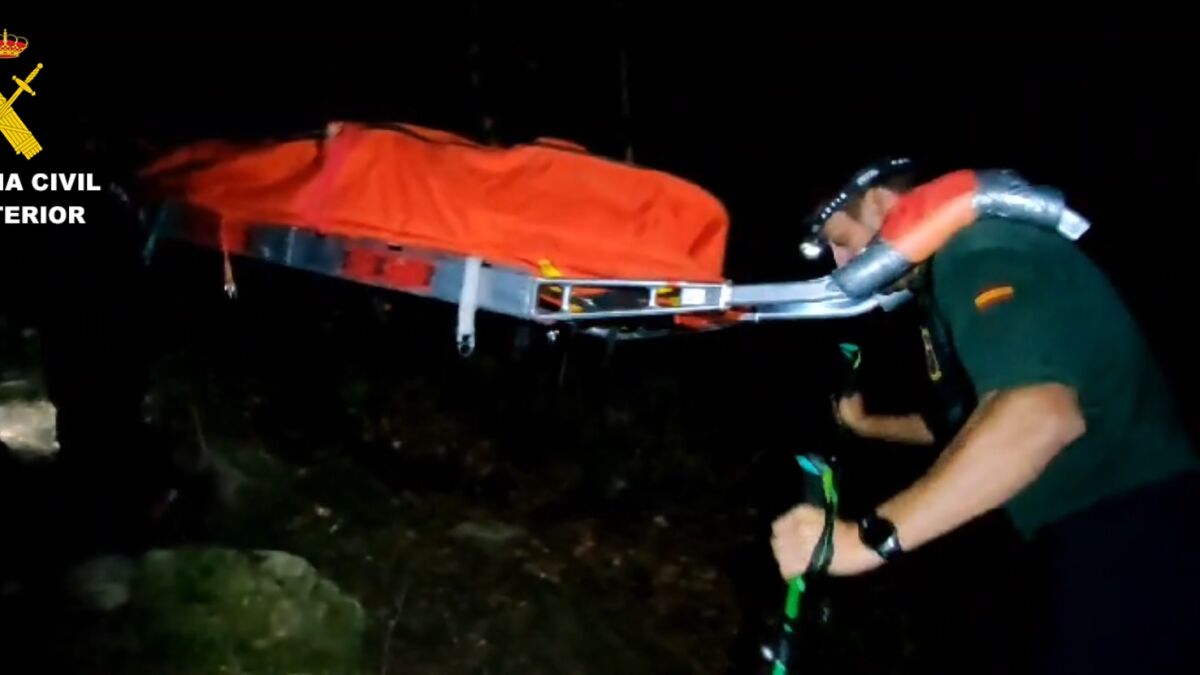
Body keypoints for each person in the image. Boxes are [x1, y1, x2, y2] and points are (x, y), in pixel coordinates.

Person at [770, 161, 1200, 673]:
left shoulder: (977, 249)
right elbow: (972, 420)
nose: (841, 263)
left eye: (842, 242)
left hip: (1135, 531)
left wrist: (861, 541)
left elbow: (1039, 415)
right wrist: (868, 426)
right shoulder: (947, 277)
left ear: (883, 204)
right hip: (1086, 533)